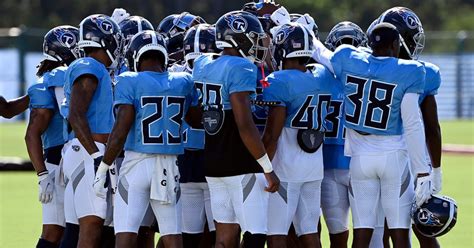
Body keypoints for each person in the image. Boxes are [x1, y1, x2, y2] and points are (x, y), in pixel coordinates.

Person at [311, 23, 432, 248]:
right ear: (396, 44)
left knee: (361, 233)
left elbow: (321, 53)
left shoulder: (349, 59)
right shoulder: (410, 70)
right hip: (393, 157)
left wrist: (309, 34)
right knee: (399, 233)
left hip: (359, 159)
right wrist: (423, 171)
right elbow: (413, 124)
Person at [93, 30, 195, 248]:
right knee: (172, 236)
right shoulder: (183, 81)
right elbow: (196, 119)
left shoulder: (129, 80)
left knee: (126, 235)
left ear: (135, 57)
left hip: (136, 165)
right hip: (168, 166)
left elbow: (120, 130)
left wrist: (103, 167)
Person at [191, 10, 279, 248]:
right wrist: (266, 167)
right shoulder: (241, 66)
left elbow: (197, 114)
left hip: (213, 159)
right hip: (240, 162)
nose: (259, 43)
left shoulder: (202, 63)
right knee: (256, 234)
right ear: (240, 38)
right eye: (255, 37)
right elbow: (244, 123)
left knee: (225, 237)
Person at [375, 7, 443, 248]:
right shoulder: (423, 72)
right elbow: (432, 128)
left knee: (383, 228)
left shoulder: (367, 67)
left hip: (376, 155)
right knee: (423, 226)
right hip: (414, 162)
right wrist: (435, 170)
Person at [262, 23, 332, 248]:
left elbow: (272, 133)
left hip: (286, 165)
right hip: (314, 164)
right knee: (309, 231)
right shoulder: (322, 75)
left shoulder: (279, 80)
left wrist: (264, 167)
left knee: (276, 233)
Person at [61, 14, 122, 248]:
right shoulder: (90, 66)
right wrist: (97, 157)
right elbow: (76, 114)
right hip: (89, 151)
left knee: (81, 227)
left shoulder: (96, 68)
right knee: (91, 226)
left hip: (84, 151)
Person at [24, 25, 80, 248]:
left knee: (63, 230)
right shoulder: (59, 79)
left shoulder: (44, 82)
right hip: (61, 159)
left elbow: (9, 109)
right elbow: (31, 135)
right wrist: (43, 175)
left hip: (62, 158)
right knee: (57, 231)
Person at [319, 21, 367, 248]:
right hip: (359, 162)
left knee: (338, 236)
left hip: (328, 164)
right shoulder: (367, 79)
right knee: (368, 233)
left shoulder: (318, 78)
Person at [176, 23, 220, 248]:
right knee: (221, 233)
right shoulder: (222, 72)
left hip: (183, 160)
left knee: (188, 236)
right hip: (215, 157)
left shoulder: (175, 75)